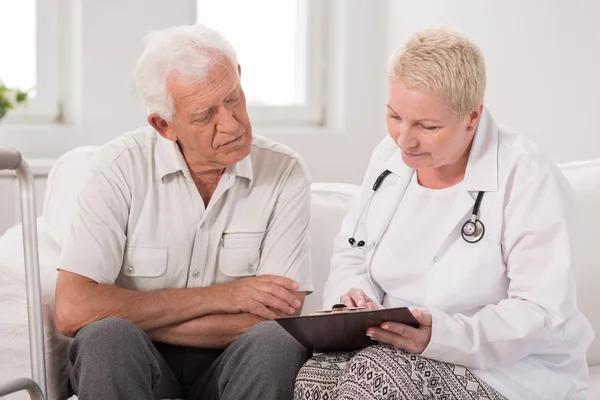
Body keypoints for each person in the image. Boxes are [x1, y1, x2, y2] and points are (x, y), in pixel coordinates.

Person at [294, 27, 594, 400]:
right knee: (313, 376)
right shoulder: (389, 160)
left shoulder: (528, 177)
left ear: (472, 117)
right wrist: (353, 298)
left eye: (427, 126)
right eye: (394, 116)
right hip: (393, 348)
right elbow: (354, 249)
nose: (405, 139)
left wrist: (442, 336)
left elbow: (540, 311)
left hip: (509, 370)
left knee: (375, 375)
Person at [54, 23, 313, 400]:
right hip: (137, 361)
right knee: (107, 337)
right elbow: (74, 310)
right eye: (204, 115)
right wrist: (226, 296)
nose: (232, 124)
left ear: (239, 77)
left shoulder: (285, 172)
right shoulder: (119, 167)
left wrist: (135, 312)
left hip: (234, 363)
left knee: (276, 342)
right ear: (164, 125)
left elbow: (277, 316)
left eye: (233, 98)